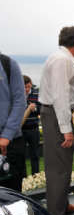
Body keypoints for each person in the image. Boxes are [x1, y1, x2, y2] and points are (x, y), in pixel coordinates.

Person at [39, 26, 74, 215]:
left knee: (64, 166)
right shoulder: (62, 60)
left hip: (58, 116)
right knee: (58, 169)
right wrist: (66, 129)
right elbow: (59, 96)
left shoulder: (62, 59)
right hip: (56, 118)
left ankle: (62, 206)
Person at [0, 52, 26, 192]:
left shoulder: (8, 64)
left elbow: (20, 102)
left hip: (10, 143)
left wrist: (6, 135)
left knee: (12, 195)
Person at [21, 75, 41, 176]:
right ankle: (23, 177)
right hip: (21, 130)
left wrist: (35, 109)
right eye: (24, 87)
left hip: (33, 128)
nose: (27, 89)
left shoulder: (37, 93)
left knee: (35, 155)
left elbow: (42, 109)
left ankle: (35, 176)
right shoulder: (17, 94)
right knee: (21, 155)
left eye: (28, 87)